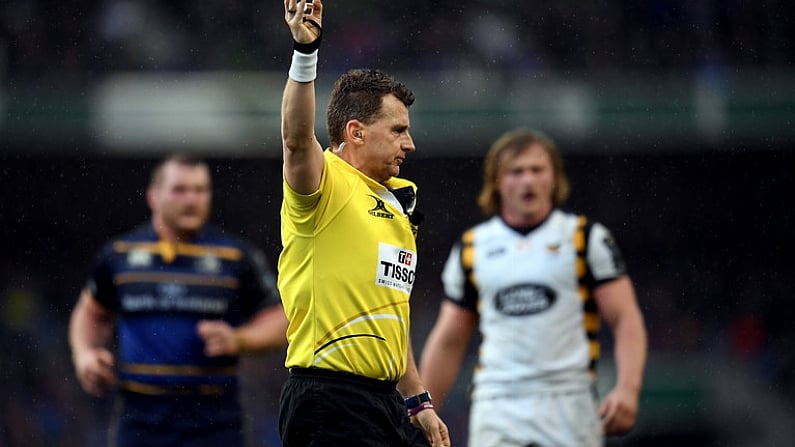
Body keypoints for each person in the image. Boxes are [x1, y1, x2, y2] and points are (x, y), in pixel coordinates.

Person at [276, 0, 450, 446]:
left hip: (386, 403)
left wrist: (419, 401)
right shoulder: (324, 182)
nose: (409, 144)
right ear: (355, 132)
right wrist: (304, 52)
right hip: (327, 397)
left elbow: (391, 315)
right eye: (397, 130)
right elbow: (296, 141)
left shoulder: (398, 203)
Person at [419, 129, 648, 447]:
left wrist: (629, 389)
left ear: (554, 179)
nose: (528, 180)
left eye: (538, 170)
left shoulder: (585, 238)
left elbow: (626, 319)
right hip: (497, 404)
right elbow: (449, 340)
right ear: (497, 181)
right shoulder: (473, 247)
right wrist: (425, 411)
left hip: (570, 404)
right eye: (516, 171)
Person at [68, 154, 288, 447]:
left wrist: (240, 338)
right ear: (153, 196)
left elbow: (281, 319)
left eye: (200, 190)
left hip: (215, 419)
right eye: (180, 189)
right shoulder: (119, 255)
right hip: (140, 419)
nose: (192, 199)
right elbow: (90, 312)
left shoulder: (235, 258)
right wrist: (84, 354)